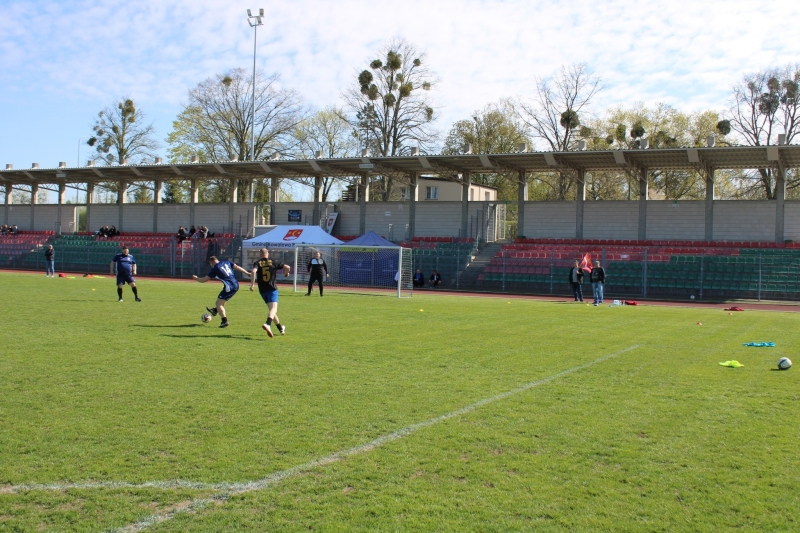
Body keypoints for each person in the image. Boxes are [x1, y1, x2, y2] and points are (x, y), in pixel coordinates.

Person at [193, 256, 250, 328]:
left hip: (229, 287)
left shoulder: (215, 268)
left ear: (212, 262)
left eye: (210, 264)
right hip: (235, 284)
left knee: (219, 303)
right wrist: (247, 273)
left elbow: (204, 280)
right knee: (222, 301)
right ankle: (215, 310)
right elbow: (237, 267)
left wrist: (196, 278)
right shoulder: (226, 262)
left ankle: (224, 321)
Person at [250, 248, 291, 337]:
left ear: (260, 255)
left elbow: (253, 271)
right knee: (274, 309)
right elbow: (288, 267)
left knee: (272, 311)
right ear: (267, 254)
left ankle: (280, 328)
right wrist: (286, 273)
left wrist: (252, 284)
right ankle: (268, 324)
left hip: (262, 290)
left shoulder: (258, 263)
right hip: (272, 288)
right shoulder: (273, 261)